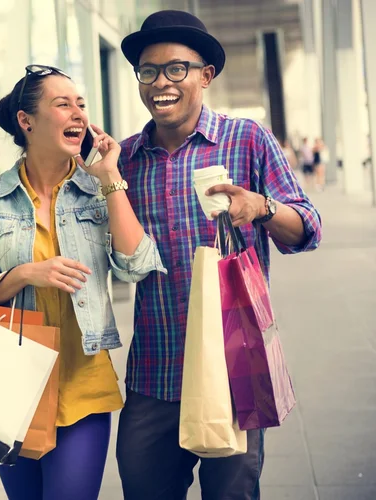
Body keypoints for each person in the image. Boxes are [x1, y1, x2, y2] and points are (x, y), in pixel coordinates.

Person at [116, 10, 322, 500]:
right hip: (154, 374)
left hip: (234, 375)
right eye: (148, 71)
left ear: (206, 76)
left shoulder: (247, 139)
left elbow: (307, 228)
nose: (160, 82)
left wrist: (263, 207)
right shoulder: (123, 160)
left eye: (176, 69)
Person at [0, 64, 165, 500]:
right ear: (26, 121)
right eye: (63, 104)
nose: (78, 115)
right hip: (11, 383)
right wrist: (26, 274)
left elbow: (137, 266)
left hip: (82, 380)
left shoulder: (98, 191)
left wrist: (110, 178)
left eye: (82, 105)